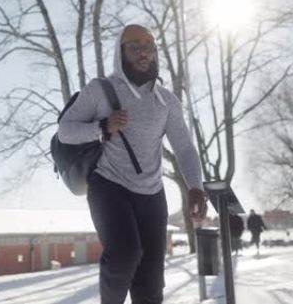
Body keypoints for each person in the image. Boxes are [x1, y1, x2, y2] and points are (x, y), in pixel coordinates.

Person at [58, 24, 207, 304]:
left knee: (151, 280)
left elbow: (185, 148)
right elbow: (65, 130)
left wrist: (195, 187)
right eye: (135, 46)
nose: (143, 53)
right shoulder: (100, 90)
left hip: (151, 193)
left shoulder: (166, 101)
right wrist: (102, 127)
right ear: (121, 51)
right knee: (124, 253)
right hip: (109, 184)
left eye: (148, 46)